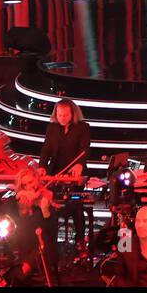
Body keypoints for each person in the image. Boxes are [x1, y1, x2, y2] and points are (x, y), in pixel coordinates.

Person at [38, 98, 92, 251]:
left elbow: (85, 149)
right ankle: (49, 241)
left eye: (65, 115)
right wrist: (42, 166)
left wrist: (79, 164)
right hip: (55, 173)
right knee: (47, 201)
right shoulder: (52, 128)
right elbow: (46, 149)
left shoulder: (83, 128)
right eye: (59, 115)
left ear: (73, 114)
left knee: (76, 205)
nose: (62, 118)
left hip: (74, 174)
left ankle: (80, 241)